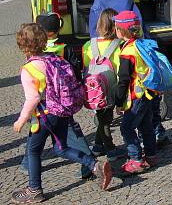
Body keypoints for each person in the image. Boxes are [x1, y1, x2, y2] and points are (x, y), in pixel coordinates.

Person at [12, 23, 112, 203]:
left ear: (23, 45)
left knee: (33, 151)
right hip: (62, 111)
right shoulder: (55, 59)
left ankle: (34, 190)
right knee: (61, 148)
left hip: (44, 116)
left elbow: (33, 99)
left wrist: (21, 120)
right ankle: (94, 165)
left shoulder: (29, 69)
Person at [113, 10, 158, 174]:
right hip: (148, 93)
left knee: (126, 128)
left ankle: (136, 160)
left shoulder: (127, 52)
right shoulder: (142, 44)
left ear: (120, 31)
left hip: (136, 96)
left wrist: (118, 101)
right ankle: (151, 155)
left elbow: (123, 80)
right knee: (146, 126)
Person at [82, 8, 125, 159]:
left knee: (102, 117)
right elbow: (120, 70)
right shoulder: (118, 45)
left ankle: (98, 146)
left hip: (93, 89)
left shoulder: (88, 45)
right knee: (106, 120)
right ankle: (111, 150)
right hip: (111, 88)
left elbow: (87, 66)